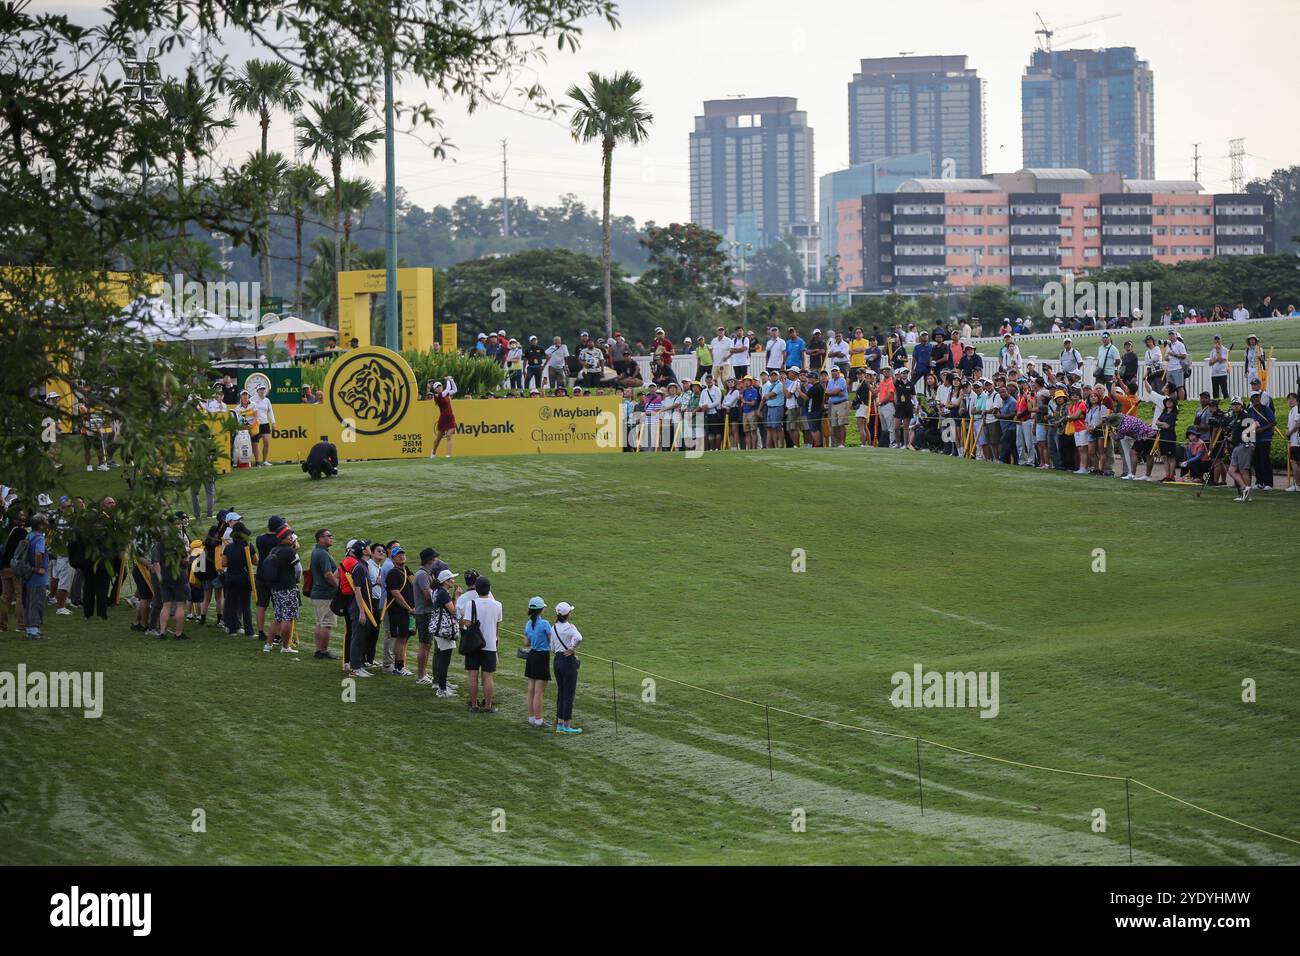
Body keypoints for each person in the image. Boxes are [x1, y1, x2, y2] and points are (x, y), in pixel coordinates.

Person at [460, 574, 503, 713]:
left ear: (476, 590)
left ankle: (474, 705)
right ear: (489, 589)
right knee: (488, 676)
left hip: (473, 644)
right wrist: (497, 639)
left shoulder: (470, 604)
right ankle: (488, 706)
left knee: (473, 675)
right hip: (489, 643)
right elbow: (497, 625)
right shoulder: (497, 605)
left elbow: (466, 623)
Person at [152, 511, 191, 640]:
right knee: (180, 605)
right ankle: (178, 633)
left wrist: (160, 577)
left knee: (166, 604)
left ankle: (162, 632)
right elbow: (185, 561)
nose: (180, 526)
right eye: (178, 524)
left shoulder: (158, 544)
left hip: (164, 576)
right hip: (178, 575)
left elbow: (156, 563)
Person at [264, 526, 302, 654]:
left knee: (277, 618)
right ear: (285, 537)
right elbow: (299, 570)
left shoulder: (274, 550)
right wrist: (297, 580)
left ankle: (268, 645)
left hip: (275, 588)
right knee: (288, 618)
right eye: (290, 535)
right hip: (288, 587)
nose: (292, 537)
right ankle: (285, 646)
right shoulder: (290, 552)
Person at [550, 600, 583, 734]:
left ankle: (559, 724)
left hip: (557, 660)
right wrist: (572, 648)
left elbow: (551, 647)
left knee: (561, 692)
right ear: (568, 614)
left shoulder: (554, 628)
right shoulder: (570, 628)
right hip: (567, 661)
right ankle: (566, 725)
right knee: (569, 694)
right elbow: (579, 638)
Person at [383, 546, 415, 675]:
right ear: (393, 558)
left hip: (409, 611)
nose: (401, 556)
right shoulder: (393, 573)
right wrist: (408, 608)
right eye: (398, 555)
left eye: (402, 554)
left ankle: (401, 665)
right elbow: (395, 593)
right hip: (399, 611)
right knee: (401, 638)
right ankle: (399, 666)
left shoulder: (406, 571)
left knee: (405, 637)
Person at [308, 528, 339, 660]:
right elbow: (328, 574)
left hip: (318, 593)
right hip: (325, 595)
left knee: (320, 622)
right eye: (328, 536)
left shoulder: (317, 552)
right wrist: (338, 586)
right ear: (320, 539)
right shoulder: (322, 554)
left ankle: (319, 650)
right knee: (326, 623)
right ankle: (323, 651)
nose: (331, 538)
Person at [522, 596, 553, 727]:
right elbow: (552, 640)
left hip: (532, 655)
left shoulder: (528, 624)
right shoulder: (545, 624)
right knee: (539, 692)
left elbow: (526, 642)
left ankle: (531, 718)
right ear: (541, 610)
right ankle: (539, 720)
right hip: (542, 656)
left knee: (531, 690)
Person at [222, 520, 256, 637]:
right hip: (244, 577)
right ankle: (249, 631)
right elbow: (256, 561)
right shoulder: (248, 546)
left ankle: (232, 629)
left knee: (231, 603)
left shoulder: (228, 547)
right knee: (245, 605)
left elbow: (224, 563)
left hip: (231, 577)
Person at [254, 517, 283, 644]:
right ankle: (277, 634)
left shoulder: (260, 539)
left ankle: (260, 631)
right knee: (278, 606)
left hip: (260, 574)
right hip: (274, 577)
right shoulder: (278, 540)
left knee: (261, 605)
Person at [22, 513, 49, 640]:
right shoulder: (39, 538)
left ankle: (29, 629)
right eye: (45, 522)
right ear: (40, 525)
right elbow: (39, 554)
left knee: (29, 602)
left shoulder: (29, 535)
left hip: (28, 574)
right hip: (37, 577)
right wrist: (39, 568)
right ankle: (33, 630)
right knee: (37, 602)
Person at [1226, 398, 1254, 502]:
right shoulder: (1235, 417)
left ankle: (1246, 494)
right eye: (1234, 404)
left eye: (1238, 404)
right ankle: (1244, 488)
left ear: (1242, 406)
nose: (1236, 406)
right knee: (1232, 470)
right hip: (1237, 446)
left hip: (1244, 446)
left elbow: (1254, 427)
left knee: (1243, 470)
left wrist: (1245, 439)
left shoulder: (1245, 416)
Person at [1246, 391, 1276, 490]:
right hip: (1254, 439)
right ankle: (1259, 482)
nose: (1256, 399)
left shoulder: (1265, 409)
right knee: (1256, 461)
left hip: (1265, 438)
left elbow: (1273, 422)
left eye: (1257, 397)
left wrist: (1262, 429)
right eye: (1254, 397)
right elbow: (1247, 424)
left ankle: (1268, 483)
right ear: (1251, 399)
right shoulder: (1249, 410)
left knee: (1265, 460)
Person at [251, 383, 276, 466]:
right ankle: (257, 461)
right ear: (257, 391)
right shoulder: (252, 399)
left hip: (265, 423)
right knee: (255, 443)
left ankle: (265, 461)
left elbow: (270, 411)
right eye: (260, 389)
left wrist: (273, 423)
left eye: (263, 389)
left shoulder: (267, 400)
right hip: (256, 424)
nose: (262, 391)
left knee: (266, 442)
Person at [429, 382, 456, 458]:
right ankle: (433, 451)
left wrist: (451, 380)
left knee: (449, 435)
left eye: (440, 386)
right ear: (435, 390)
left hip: (450, 418)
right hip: (443, 419)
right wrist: (447, 380)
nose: (439, 388)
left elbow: (454, 390)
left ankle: (448, 455)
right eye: (437, 387)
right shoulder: (437, 396)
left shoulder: (446, 394)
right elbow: (447, 389)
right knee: (438, 438)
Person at [1206, 335, 1230, 400]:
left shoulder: (1225, 350)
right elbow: (1210, 363)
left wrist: (1217, 351)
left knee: (1224, 391)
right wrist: (1216, 359)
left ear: (1221, 340)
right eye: (1215, 339)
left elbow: (1220, 360)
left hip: (1222, 373)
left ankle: (1226, 403)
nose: (1217, 340)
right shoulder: (1212, 351)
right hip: (1214, 374)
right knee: (1215, 392)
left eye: (1218, 339)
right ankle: (1215, 404)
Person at [1285, 392, 1300, 493]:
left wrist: (1289, 433)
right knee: (1294, 462)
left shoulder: (1297, 409)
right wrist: (1288, 431)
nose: (1290, 400)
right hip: (1294, 441)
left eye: (1292, 398)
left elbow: (1298, 424)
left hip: (1297, 441)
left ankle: (1297, 484)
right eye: (1289, 399)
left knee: (1294, 462)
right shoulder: (1291, 411)